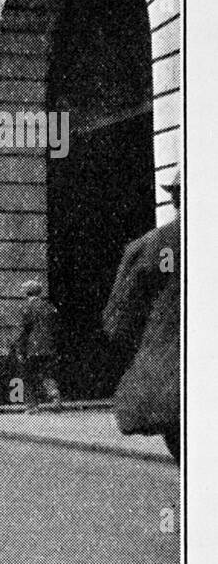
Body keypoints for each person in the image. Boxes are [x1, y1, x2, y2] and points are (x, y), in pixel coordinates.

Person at [103, 170, 181, 460]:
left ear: (174, 199)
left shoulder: (151, 245)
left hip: (171, 373)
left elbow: (118, 320)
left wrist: (152, 346)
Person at [16, 279, 62, 413]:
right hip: (48, 346)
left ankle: (32, 406)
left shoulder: (26, 308)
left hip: (32, 347)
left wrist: (20, 349)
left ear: (27, 293)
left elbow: (24, 330)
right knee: (47, 374)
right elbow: (56, 327)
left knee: (29, 376)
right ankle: (54, 396)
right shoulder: (49, 306)